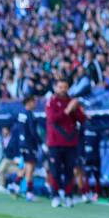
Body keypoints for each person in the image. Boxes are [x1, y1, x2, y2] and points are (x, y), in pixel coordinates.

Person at [44, 78, 85, 208]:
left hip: (71, 142)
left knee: (69, 171)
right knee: (55, 171)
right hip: (55, 143)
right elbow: (52, 119)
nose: (63, 89)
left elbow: (81, 119)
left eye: (65, 87)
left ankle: (68, 196)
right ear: (55, 88)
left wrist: (77, 109)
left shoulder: (72, 101)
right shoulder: (52, 101)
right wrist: (68, 109)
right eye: (60, 87)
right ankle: (55, 196)